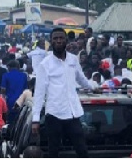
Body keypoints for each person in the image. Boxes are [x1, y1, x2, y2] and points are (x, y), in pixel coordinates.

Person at [32, 28, 93, 158]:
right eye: (55, 38)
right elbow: (39, 93)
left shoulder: (73, 60)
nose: (59, 41)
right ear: (51, 41)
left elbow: (81, 79)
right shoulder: (45, 64)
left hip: (73, 112)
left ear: (66, 40)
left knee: (82, 150)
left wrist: (93, 87)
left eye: (61, 38)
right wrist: (35, 119)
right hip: (54, 114)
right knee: (54, 151)